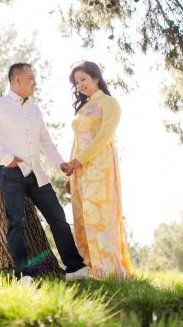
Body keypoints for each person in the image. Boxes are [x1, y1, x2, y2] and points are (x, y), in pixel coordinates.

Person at [0, 63, 87, 282]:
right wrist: (7, 159)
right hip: (11, 173)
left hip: (37, 173)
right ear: (16, 80)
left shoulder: (34, 109)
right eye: (30, 78)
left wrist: (60, 164)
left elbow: (46, 143)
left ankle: (76, 269)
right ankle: (23, 274)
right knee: (15, 222)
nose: (34, 82)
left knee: (58, 218)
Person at [62, 61, 133, 279]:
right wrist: (71, 166)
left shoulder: (109, 103)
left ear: (96, 78)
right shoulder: (83, 108)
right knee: (83, 215)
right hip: (80, 169)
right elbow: (76, 141)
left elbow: (104, 137)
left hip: (100, 165)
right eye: (76, 82)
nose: (80, 85)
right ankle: (91, 268)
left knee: (99, 214)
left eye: (83, 79)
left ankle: (109, 271)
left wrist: (78, 161)